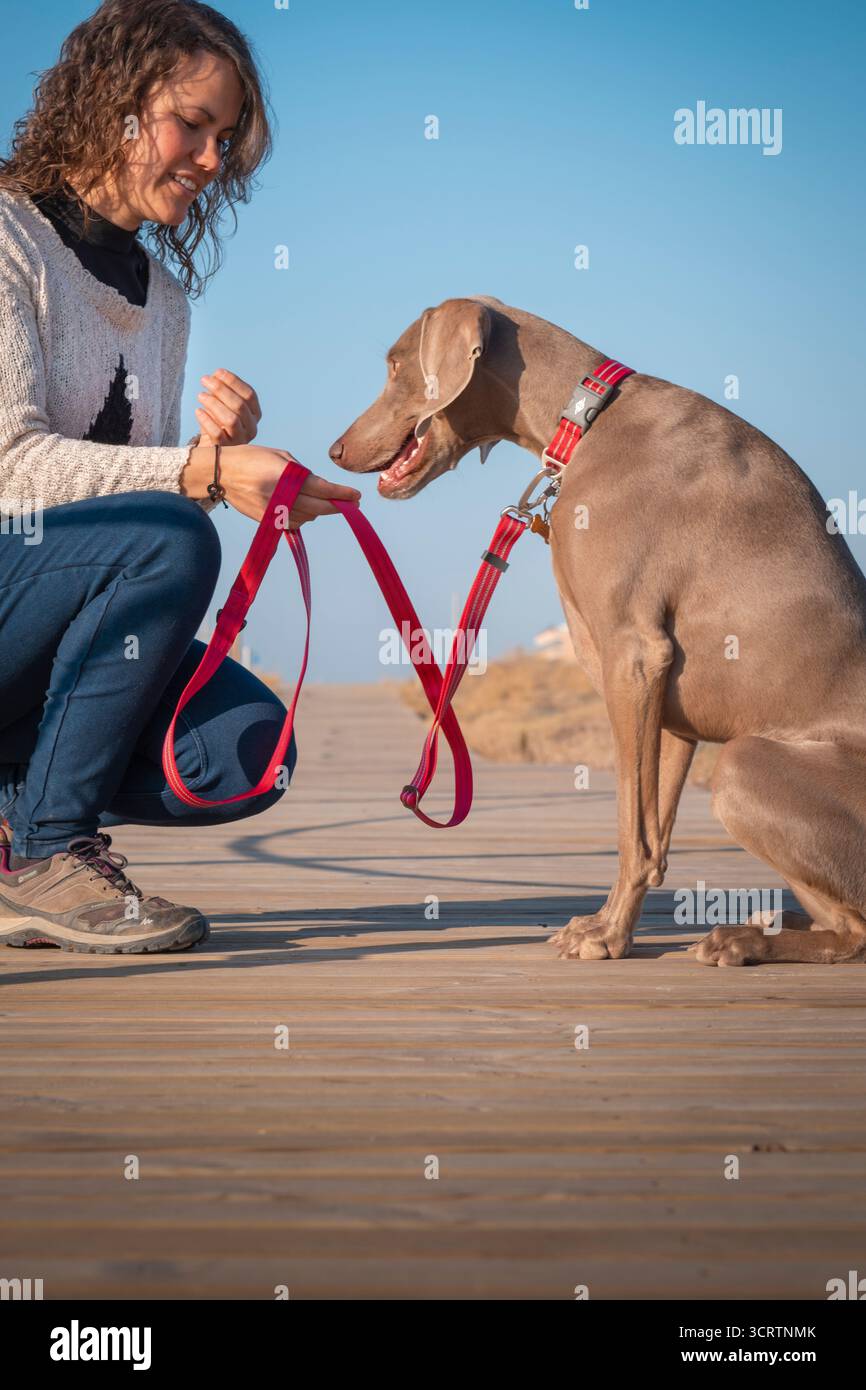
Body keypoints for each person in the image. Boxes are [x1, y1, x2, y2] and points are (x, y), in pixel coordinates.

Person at [0, 0, 360, 954]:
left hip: (30, 629)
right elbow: (10, 468)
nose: (210, 158)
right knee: (172, 534)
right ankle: (44, 853)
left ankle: (10, 813)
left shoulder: (162, 299)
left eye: (225, 136)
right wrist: (200, 472)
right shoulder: (5, 240)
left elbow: (131, 518)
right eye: (190, 123)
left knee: (246, 751)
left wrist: (231, 460)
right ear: (112, 103)